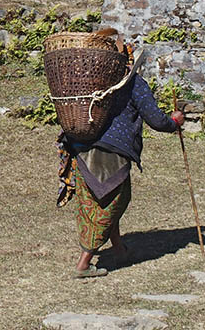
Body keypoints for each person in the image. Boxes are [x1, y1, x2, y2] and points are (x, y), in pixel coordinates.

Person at [57, 72, 184, 278]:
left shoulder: (88, 77)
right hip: (111, 153)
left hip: (81, 147)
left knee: (102, 201)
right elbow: (156, 120)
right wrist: (174, 122)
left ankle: (119, 250)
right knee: (109, 205)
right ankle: (84, 263)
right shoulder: (133, 83)